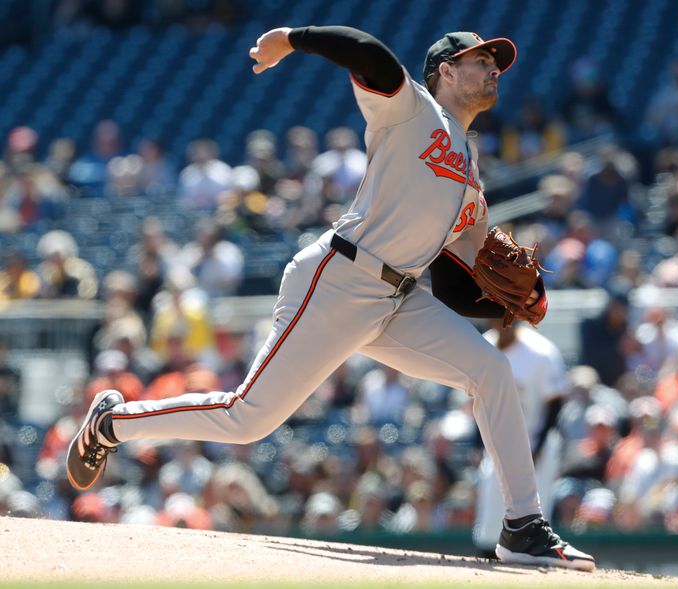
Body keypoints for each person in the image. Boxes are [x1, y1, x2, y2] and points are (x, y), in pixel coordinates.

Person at [65, 25, 594, 570]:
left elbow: (460, 286)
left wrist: (517, 298)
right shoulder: (411, 109)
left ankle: (523, 526)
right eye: (479, 60)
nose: (491, 69)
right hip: (339, 279)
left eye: (495, 63)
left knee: (491, 370)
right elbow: (369, 53)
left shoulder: (470, 171)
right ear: (447, 73)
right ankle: (112, 423)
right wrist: (293, 39)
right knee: (249, 419)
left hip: (398, 299)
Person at [473, 318, 568, 555]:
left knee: (535, 514)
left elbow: (555, 404)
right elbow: (477, 400)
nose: (500, 321)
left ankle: (536, 564)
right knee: (491, 513)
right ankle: (486, 568)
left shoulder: (541, 352)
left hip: (536, 444)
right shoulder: (482, 345)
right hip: (497, 442)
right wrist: (478, 443)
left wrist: (538, 447)